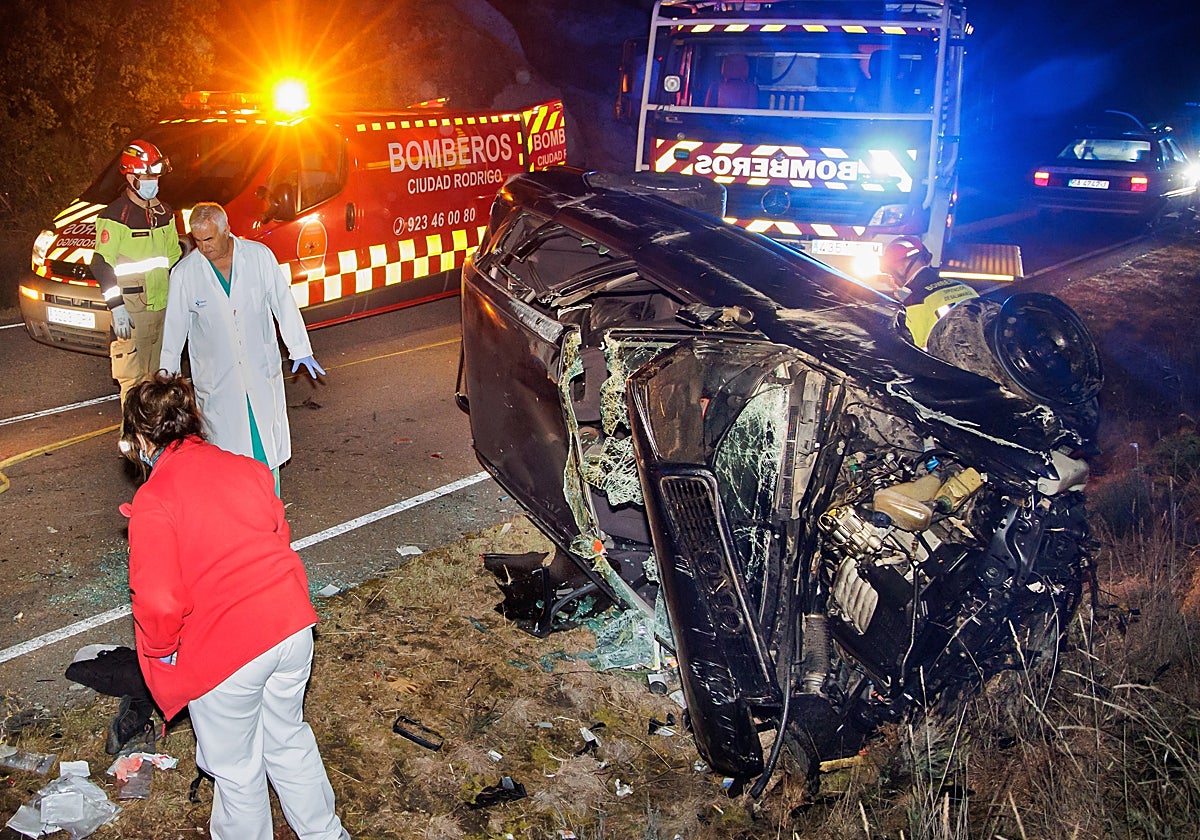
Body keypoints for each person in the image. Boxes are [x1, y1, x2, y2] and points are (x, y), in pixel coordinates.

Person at [119, 372, 350, 840]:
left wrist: (164, 653)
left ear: (143, 438)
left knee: (237, 770)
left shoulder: (155, 498)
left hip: (227, 651)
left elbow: (160, 599)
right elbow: (277, 539)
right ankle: (326, 833)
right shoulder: (247, 468)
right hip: (290, 629)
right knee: (288, 738)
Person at [160, 202, 324, 493]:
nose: (204, 247)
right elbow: (174, 332)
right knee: (227, 462)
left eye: (209, 239)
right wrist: (166, 382)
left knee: (265, 457)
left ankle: (270, 518)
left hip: (259, 373)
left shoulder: (259, 257)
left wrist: (300, 348)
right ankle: (235, 524)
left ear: (226, 230)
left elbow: (282, 303)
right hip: (217, 382)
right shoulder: (185, 274)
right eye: (197, 240)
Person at [92, 140, 182, 411]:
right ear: (131, 178)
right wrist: (116, 307)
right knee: (134, 386)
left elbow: (175, 259)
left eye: (155, 176)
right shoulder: (115, 216)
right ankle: (133, 448)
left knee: (161, 383)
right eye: (147, 176)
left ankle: (157, 444)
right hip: (131, 314)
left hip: (162, 309)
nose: (153, 182)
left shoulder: (164, 213)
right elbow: (100, 264)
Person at [880, 236, 978, 349]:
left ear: (901, 268)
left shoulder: (915, 303)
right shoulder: (965, 288)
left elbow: (912, 351)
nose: (891, 280)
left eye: (890, 274)